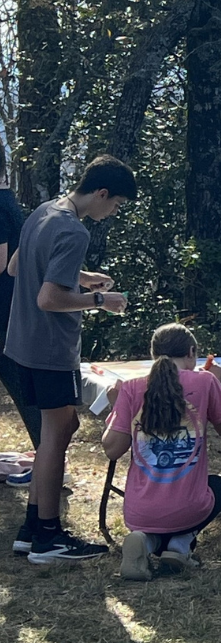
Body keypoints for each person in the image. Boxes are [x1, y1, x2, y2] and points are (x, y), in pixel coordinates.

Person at [7, 154, 135, 563]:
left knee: (58, 431)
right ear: (101, 193)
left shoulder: (43, 212)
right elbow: (49, 298)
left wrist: (78, 275)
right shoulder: (74, 231)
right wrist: (100, 299)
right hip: (49, 349)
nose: (113, 212)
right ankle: (48, 536)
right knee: (56, 437)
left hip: (20, 344)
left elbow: (15, 267)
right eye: (115, 204)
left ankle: (31, 528)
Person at [102, 324, 221, 580]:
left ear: (153, 354)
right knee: (219, 487)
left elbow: (112, 449)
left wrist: (115, 406)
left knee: (156, 522)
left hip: (138, 511)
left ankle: (146, 542)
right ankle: (181, 544)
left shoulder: (131, 388)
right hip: (189, 507)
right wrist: (215, 388)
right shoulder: (205, 381)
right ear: (191, 352)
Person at [0, 176, 39, 456]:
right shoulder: (8, 200)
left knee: (26, 395)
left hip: (4, 315)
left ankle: (50, 460)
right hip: (11, 310)